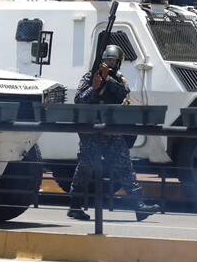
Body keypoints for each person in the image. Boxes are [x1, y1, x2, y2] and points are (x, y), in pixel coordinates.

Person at [67, 45, 160, 221]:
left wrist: (107, 79)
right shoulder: (89, 77)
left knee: (125, 166)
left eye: (113, 61)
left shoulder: (118, 78)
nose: (110, 64)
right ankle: (74, 206)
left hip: (111, 131)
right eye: (107, 61)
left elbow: (124, 92)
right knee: (85, 167)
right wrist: (94, 86)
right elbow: (79, 100)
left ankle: (139, 206)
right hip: (91, 131)